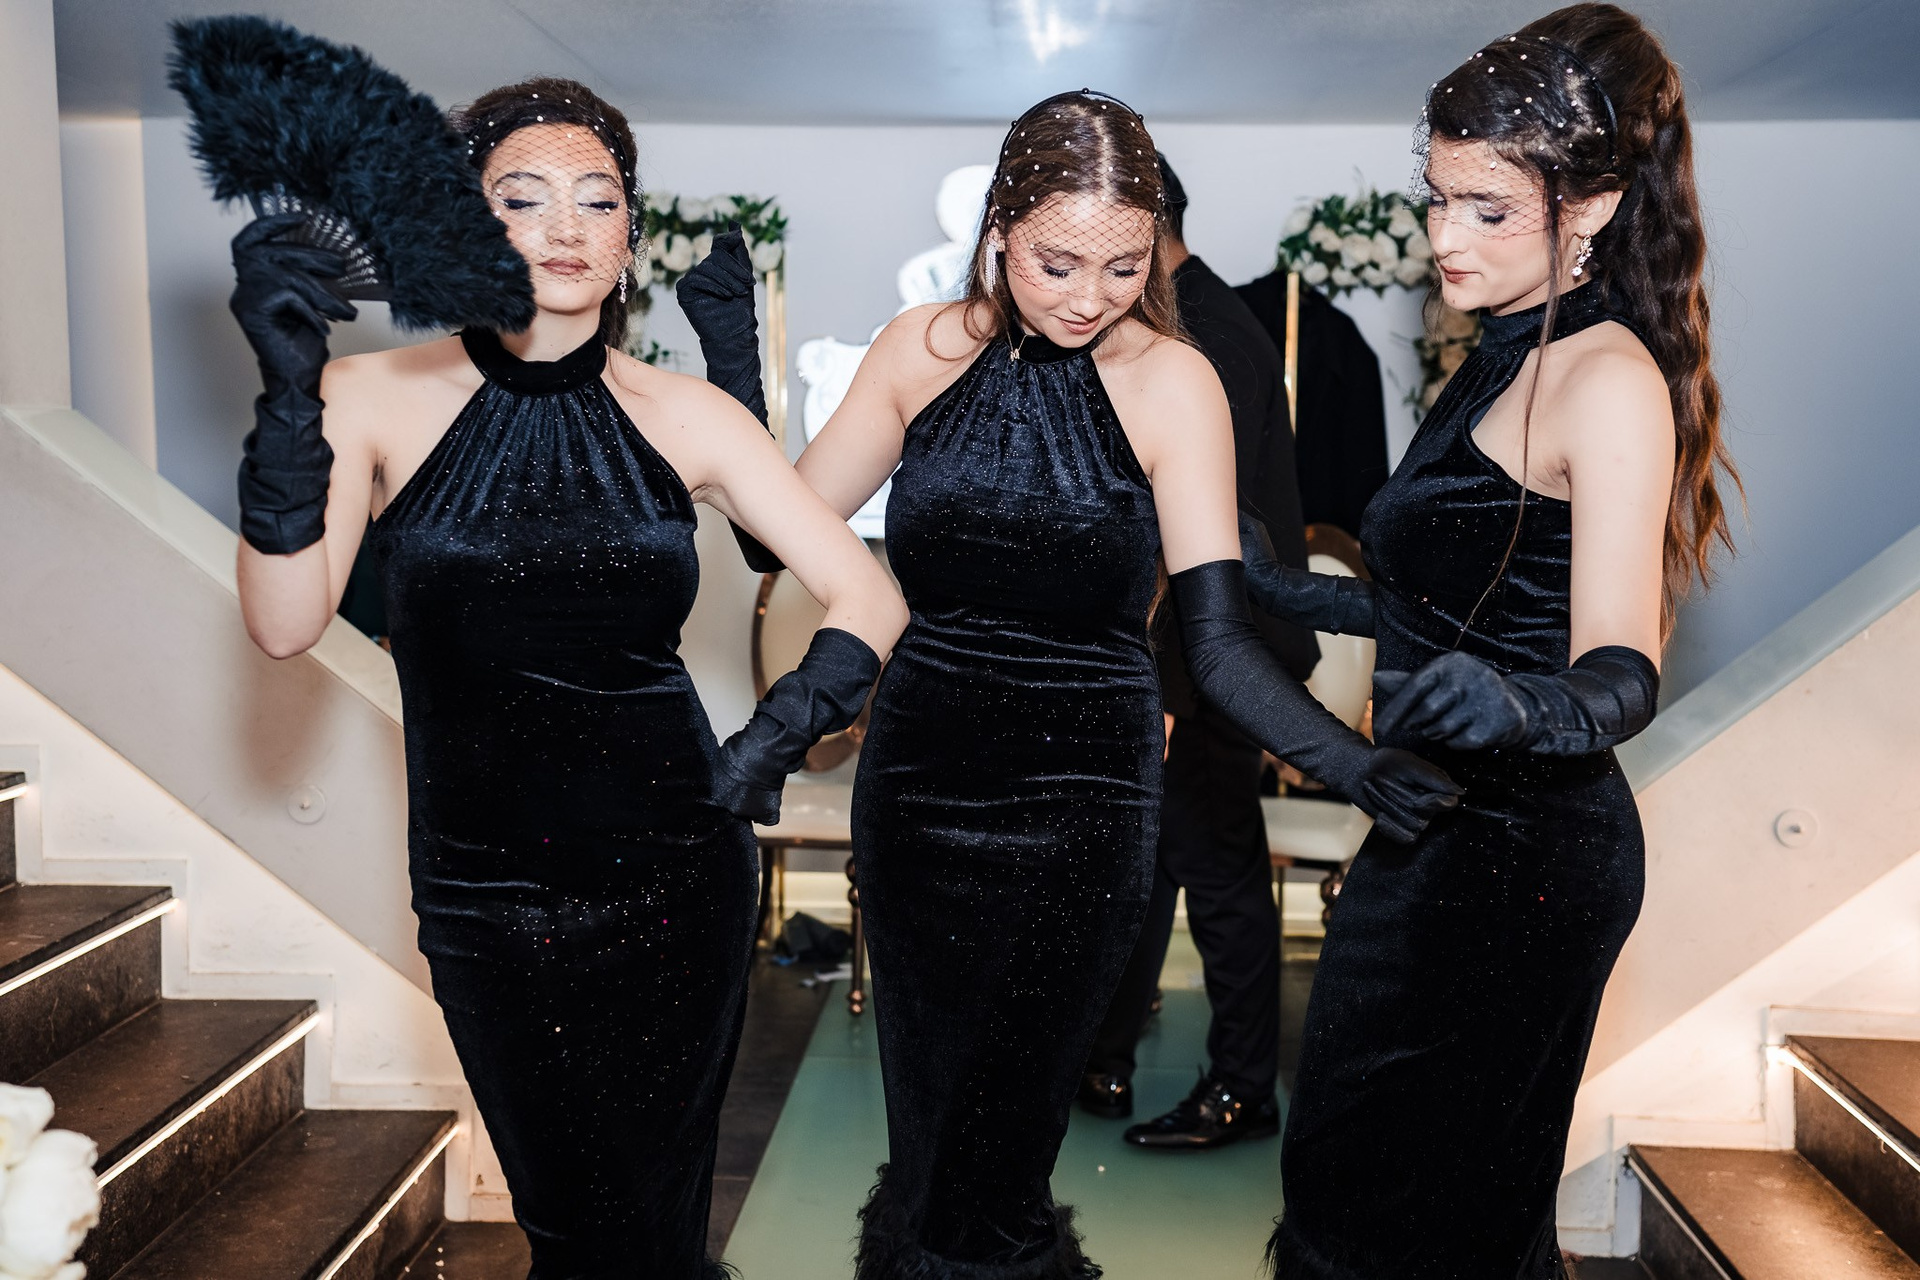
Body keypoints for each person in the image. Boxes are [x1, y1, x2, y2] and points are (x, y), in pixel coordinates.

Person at [678, 89, 1460, 1279]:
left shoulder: (1175, 382)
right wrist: (733, 364)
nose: (1090, 295)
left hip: (1083, 806)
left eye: (1123, 266)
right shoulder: (920, 349)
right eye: (1057, 262)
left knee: (1003, 1153)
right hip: (921, 788)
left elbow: (1218, 643)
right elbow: (767, 536)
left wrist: (1348, 760)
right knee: (929, 1142)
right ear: (999, 230)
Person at [228, 77, 906, 1278]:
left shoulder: (691, 416)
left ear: (630, 235)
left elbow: (871, 596)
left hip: (677, 877)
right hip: (484, 890)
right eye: (523, 198)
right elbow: (285, 623)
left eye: (598, 201)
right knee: (573, 1228)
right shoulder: (371, 397)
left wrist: (773, 738)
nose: (565, 227)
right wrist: (287, 401)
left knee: (652, 1227)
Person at [1248, 8, 1740, 1276]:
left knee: (1428, 1228)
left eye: (1485, 208)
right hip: (1435, 828)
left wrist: (1521, 706)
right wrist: (1287, 590)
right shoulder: (1496, 350)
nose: (1442, 237)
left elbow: (1620, 665)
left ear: (1594, 207)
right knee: (1349, 1189)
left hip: (1528, 863)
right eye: (1436, 197)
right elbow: (1457, 597)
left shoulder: (1607, 376)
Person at [1076, 152, 1319, 1150]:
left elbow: (1211, 532)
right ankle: (1107, 1053)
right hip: (1193, 653)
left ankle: (1242, 1087)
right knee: (1153, 863)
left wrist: (1172, 689)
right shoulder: (1199, 318)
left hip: (1220, 657)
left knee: (1218, 874)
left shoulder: (1206, 333)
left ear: (1146, 227)